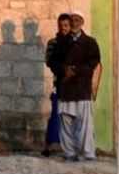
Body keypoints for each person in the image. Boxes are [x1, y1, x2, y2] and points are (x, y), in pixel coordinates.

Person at [59, 10, 101, 161]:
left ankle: (88, 153)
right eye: (72, 20)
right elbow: (54, 61)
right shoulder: (62, 42)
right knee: (65, 121)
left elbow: (93, 63)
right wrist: (63, 70)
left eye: (77, 20)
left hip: (81, 87)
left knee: (85, 124)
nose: (74, 23)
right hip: (66, 87)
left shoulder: (90, 43)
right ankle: (70, 152)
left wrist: (75, 70)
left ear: (82, 22)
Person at [42, 13, 72, 157]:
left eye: (66, 26)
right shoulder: (53, 42)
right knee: (55, 115)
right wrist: (62, 69)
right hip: (59, 83)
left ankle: (69, 147)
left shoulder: (74, 43)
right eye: (61, 26)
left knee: (71, 115)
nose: (63, 29)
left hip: (73, 85)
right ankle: (49, 146)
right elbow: (49, 61)